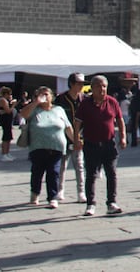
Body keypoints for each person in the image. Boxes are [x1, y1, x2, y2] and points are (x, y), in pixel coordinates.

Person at [74, 74, 127, 216]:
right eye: (98, 86)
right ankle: (90, 204)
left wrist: (123, 136)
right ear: (92, 88)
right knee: (91, 174)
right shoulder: (85, 103)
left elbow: (120, 120)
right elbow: (78, 122)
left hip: (109, 143)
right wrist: (76, 138)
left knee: (112, 173)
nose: (101, 89)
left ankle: (111, 202)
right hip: (91, 144)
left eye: (104, 86)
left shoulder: (112, 102)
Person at [19, 86, 74, 209]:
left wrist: (75, 140)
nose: (44, 97)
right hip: (38, 146)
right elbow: (23, 114)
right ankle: (35, 193)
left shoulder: (59, 110)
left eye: (46, 94)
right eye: (41, 94)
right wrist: (36, 102)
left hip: (57, 146)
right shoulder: (35, 109)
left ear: (52, 97)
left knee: (54, 172)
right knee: (37, 172)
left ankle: (52, 197)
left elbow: (68, 126)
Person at [55, 72, 86, 203]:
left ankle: (81, 192)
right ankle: (59, 190)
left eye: (82, 83)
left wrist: (81, 136)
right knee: (62, 165)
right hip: (63, 137)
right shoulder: (60, 99)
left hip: (80, 137)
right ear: (71, 84)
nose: (81, 86)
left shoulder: (84, 99)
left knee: (79, 165)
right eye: (79, 83)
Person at [0, 86, 15, 161]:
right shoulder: (3, 100)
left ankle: (7, 153)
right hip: (5, 120)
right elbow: (8, 110)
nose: (10, 95)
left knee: (8, 137)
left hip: (8, 120)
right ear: (5, 94)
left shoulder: (6, 100)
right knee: (6, 137)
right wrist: (14, 105)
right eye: (9, 94)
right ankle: (4, 154)